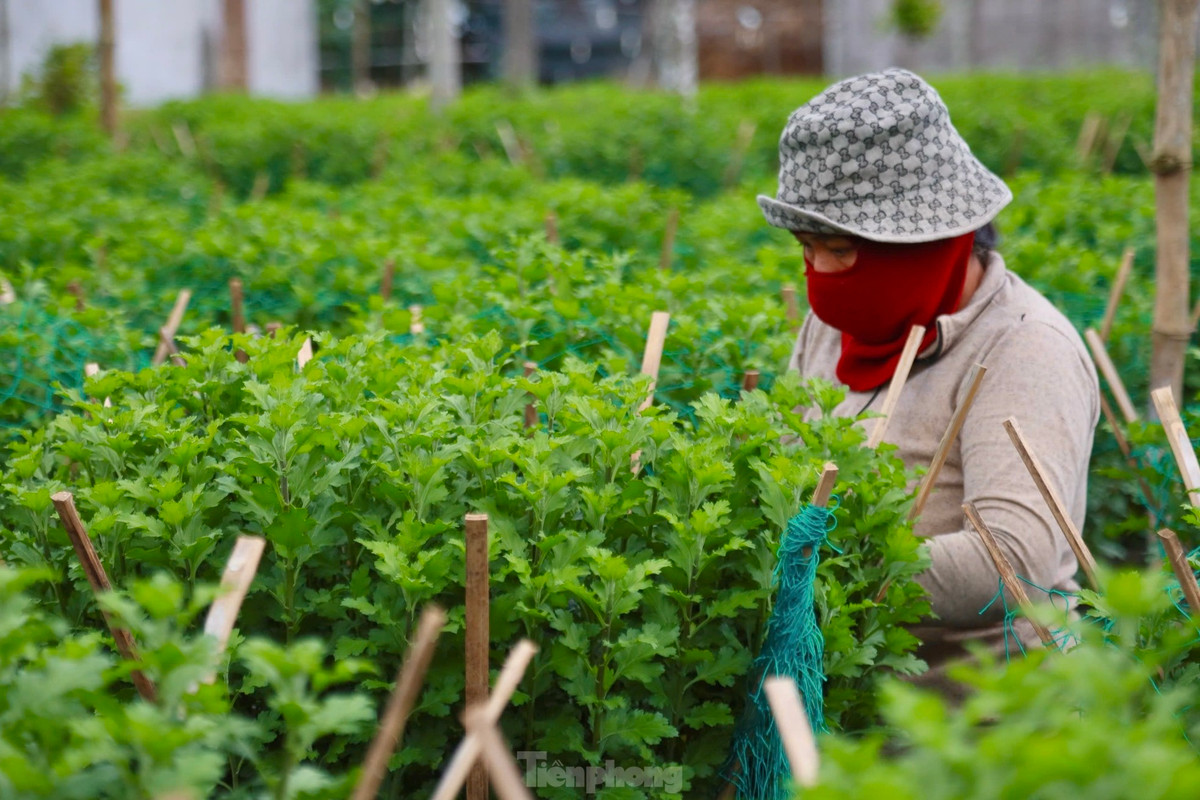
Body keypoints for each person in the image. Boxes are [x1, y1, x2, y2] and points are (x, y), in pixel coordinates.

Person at [757, 68, 1099, 693]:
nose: (819, 272)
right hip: (829, 686)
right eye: (805, 247)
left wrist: (811, 562)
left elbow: (1010, 560)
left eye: (840, 248)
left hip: (973, 718)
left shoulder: (1023, 348)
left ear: (925, 241)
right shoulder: (833, 326)